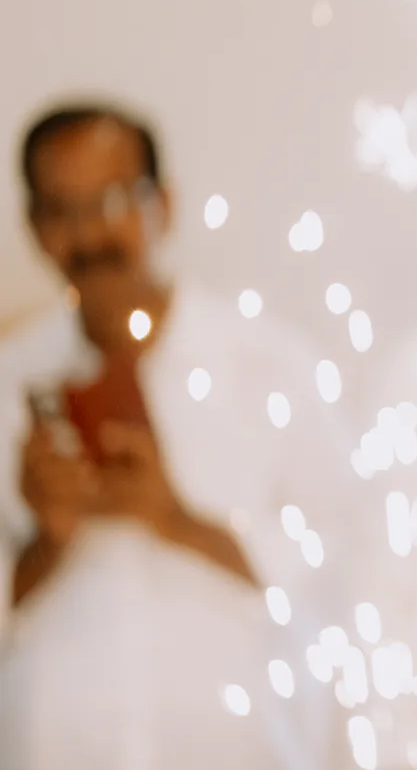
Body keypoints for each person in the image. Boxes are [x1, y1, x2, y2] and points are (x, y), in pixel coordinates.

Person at [0, 104, 359, 770]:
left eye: (112, 201)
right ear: (35, 228)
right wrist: (47, 538)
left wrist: (176, 518)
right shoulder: (12, 375)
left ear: (162, 205)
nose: (89, 234)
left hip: (242, 749)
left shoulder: (268, 364)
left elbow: (343, 552)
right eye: (62, 210)